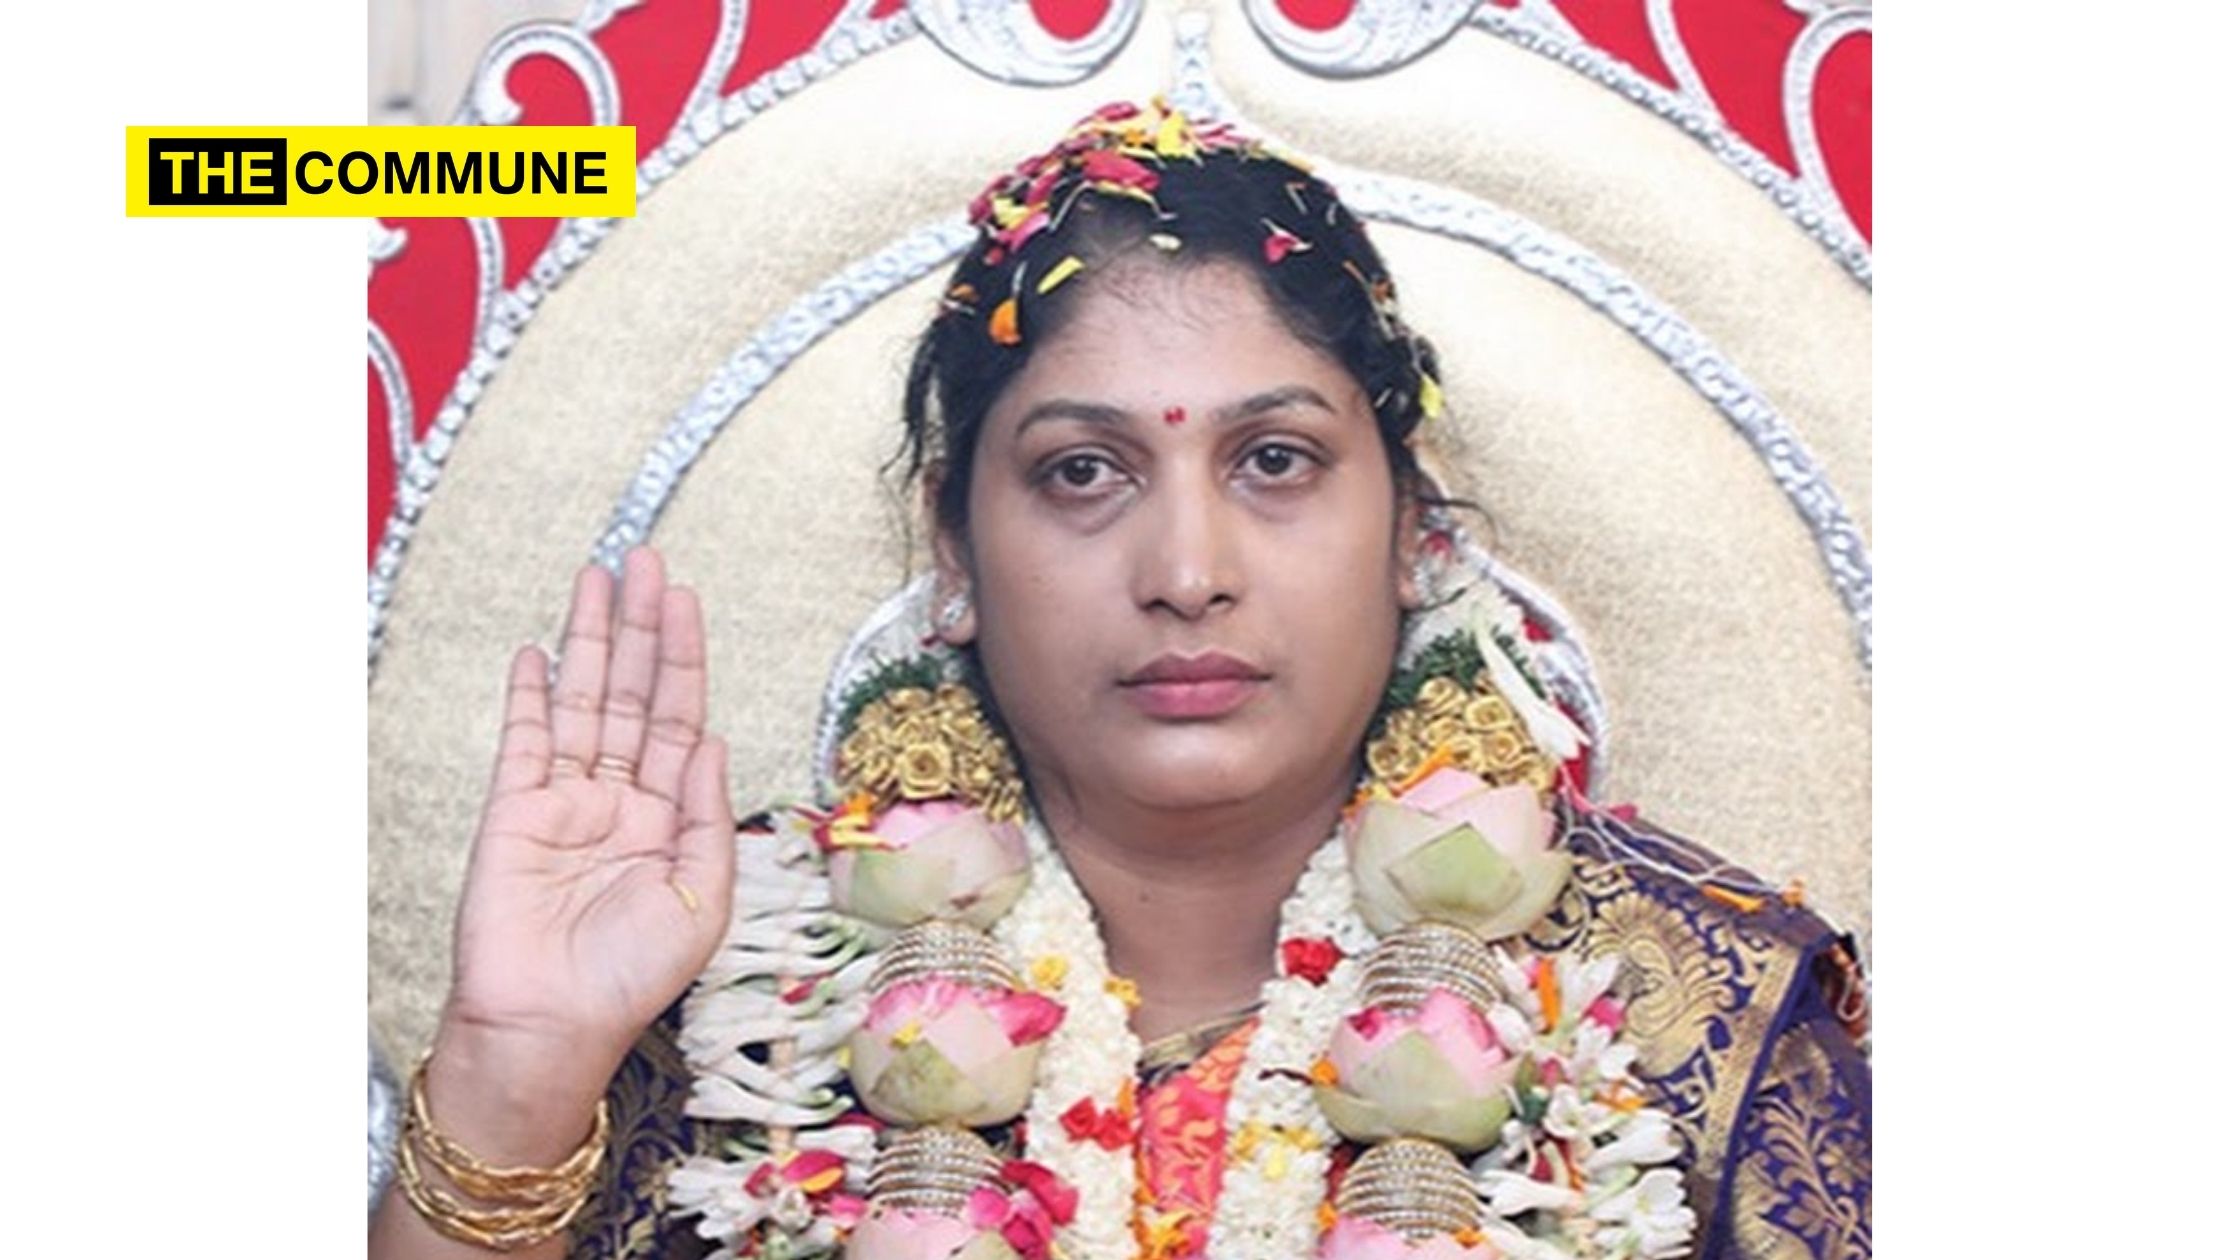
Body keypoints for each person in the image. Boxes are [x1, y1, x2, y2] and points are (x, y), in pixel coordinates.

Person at [370, 100, 1868, 1260]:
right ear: (954, 550)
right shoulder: (729, 1005)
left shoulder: (1696, 1025)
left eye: (1275, 461)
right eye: (1083, 471)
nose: (1188, 570)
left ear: (1414, 531)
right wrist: (521, 1067)